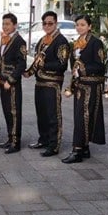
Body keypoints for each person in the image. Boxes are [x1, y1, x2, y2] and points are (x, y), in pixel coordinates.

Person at [24, 11, 70, 157]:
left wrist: (45, 65)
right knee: (41, 113)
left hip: (53, 83)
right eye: (44, 23)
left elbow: (62, 64)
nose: (47, 26)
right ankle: (43, 139)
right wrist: (28, 72)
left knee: (52, 114)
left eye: (50, 23)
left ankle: (53, 144)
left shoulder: (61, 41)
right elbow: (37, 61)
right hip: (40, 82)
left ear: (56, 23)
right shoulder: (43, 40)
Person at [62, 14, 106, 163]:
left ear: (89, 26)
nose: (79, 27)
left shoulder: (96, 43)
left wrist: (83, 68)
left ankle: (77, 150)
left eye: (82, 25)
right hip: (80, 86)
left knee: (84, 117)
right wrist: (72, 85)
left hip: (91, 86)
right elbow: (74, 67)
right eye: (77, 25)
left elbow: (100, 66)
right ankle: (84, 147)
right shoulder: (76, 43)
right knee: (79, 117)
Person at [0, 13, 27, 154]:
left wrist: (10, 80)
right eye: (3, 24)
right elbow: (3, 61)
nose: (5, 26)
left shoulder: (19, 41)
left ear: (15, 25)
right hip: (3, 81)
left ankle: (16, 142)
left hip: (12, 83)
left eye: (8, 24)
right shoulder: (4, 39)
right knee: (7, 111)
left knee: (14, 112)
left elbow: (22, 64)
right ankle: (10, 138)